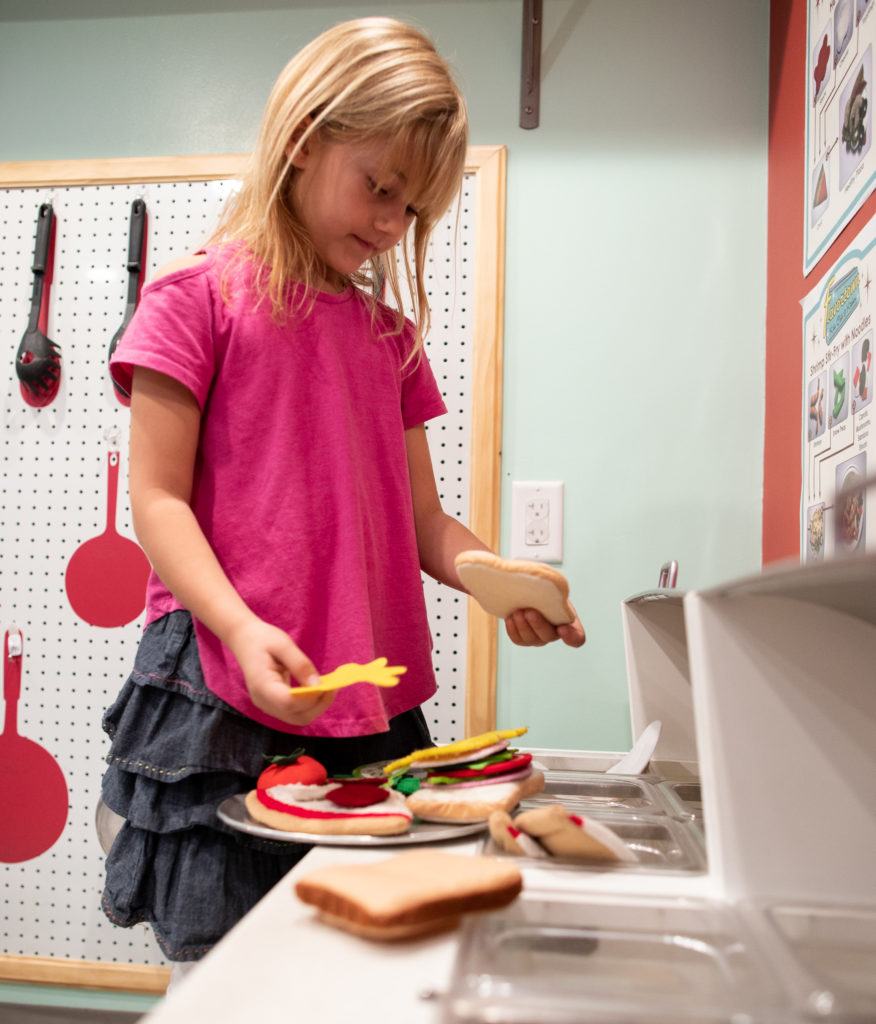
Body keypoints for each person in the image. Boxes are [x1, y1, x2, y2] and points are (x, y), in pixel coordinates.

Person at [100, 15, 585, 971]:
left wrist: (493, 577)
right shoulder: (192, 300)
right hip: (223, 684)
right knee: (231, 971)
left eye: (412, 210)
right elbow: (156, 502)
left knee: (361, 963)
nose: (390, 224)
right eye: (381, 186)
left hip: (363, 697)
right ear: (305, 134)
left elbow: (422, 524)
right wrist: (239, 624)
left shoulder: (390, 339)